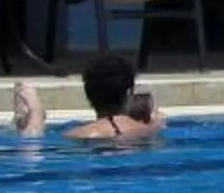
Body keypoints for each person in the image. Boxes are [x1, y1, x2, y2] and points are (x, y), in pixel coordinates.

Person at [11, 52, 161, 143]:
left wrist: (35, 112)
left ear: (88, 93)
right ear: (129, 93)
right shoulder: (149, 130)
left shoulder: (78, 135)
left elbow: (31, 146)